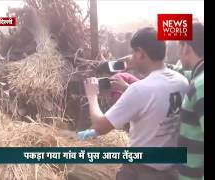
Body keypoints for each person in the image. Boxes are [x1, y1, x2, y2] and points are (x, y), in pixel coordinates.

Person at [78, 27, 189, 180]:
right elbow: (155, 100)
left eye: (134, 52)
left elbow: (100, 126)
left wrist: (92, 96)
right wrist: (127, 86)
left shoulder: (139, 90)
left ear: (141, 53)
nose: (131, 57)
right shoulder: (181, 81)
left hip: (141, 170)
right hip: (172, 170)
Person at [176, 22, 204, 180]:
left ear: (186, 47)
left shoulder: (201, 85)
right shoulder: (198, 77)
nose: (179, 53)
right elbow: (182, 72)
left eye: (179, 46)